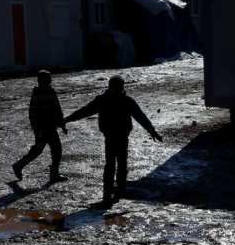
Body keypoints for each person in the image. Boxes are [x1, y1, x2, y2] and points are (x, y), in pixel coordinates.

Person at [64, 75, 162, 208]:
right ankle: (112, 195)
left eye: (119, 87)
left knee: (116, 165)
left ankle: (113, 195)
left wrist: (153, 131)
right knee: (116, 165)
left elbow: (141, 117)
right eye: (117, 87)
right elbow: (84, 111)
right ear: (111, 87)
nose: (118, 90)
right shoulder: (115, 100)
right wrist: (68, 119)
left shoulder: (113, 100)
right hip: (114, 136)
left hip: (118, 137)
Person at [12, 70, 67, 184]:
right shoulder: (38, 94)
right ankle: (53, 174)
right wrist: (37, 130)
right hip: (44, 128)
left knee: (42, 149)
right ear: (40, 80)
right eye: (47, 79)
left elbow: (57, 109)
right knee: (54, 149)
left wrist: (62, 124)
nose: (50, 81)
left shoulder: (50, 91)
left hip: (51, 127)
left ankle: (19, 165)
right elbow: (33, 114)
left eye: (50, 79)